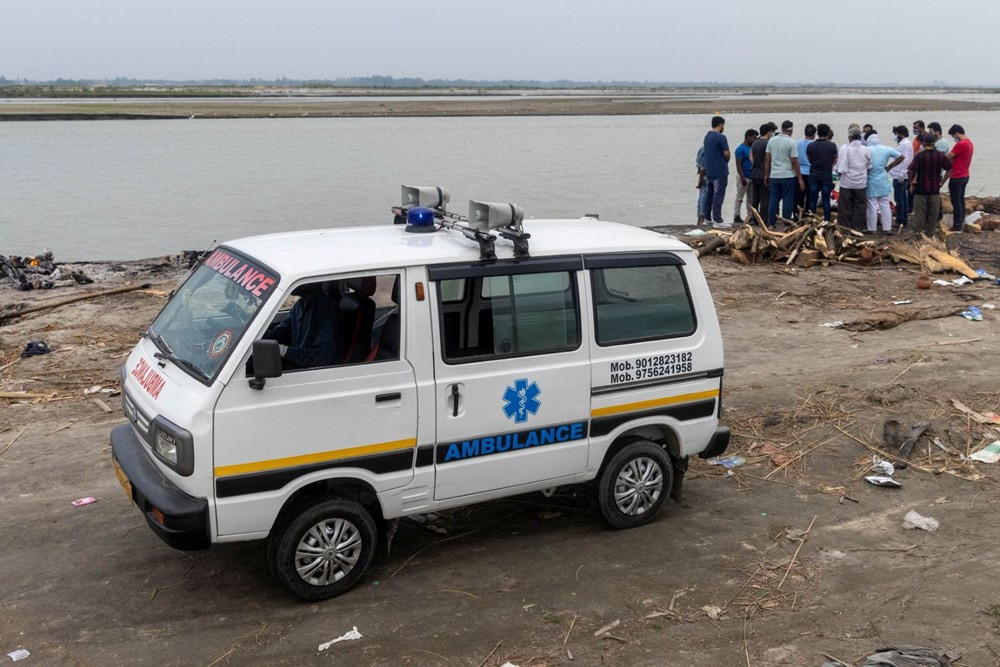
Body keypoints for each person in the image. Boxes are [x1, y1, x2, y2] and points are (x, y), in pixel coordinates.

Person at [264, 282, 340, 369]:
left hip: (311, 373)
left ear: (312, 283)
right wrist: (257, 333)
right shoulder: (299, 305)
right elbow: (280, 333)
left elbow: (322, 357)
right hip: (296, 364)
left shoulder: (326, 310)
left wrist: (282, 350)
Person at [908, 134, 951, 238]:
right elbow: (949, 169)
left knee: (919, 215)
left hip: (920, 189)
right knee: (933, 215)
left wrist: (911, 183)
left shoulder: (920, 155)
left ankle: (918, 234)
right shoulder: (940, 155)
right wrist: (942, 182)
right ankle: (930, 234)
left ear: (924, 143)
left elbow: (910, 170)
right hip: (935, 190)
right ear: (934, 143)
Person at [765, 120, 803, 226]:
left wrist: (766, 174)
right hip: (788, 176)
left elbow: (767, 159)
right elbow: (794, 162)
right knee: (788, 200)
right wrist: (800, 179)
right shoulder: (792, 142)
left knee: (773, 200)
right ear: (791, 130)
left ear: (781, 129)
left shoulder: (771, 140)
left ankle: (771, 223)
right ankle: (786, 223)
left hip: (774, 175)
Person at [864, 133, 903, 234]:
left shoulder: (866, 149)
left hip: (871, 181)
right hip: (883, 180)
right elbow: (901, 157)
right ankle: (887, 229)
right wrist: (890, 166)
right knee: (885, 205)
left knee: (871, 205)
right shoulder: (886, 149)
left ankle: (872, 229)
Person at [836, 127, 872, 231]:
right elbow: (869, 166)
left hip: (846, 183)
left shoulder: (845, 149)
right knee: (860, 206)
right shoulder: (866, 150)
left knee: (845, 206)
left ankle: (845, 228)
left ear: (849, 137)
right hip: (861, 183)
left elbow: (840, 167)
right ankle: (858, 228)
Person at [702, 115, 731, 228]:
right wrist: (726, 161)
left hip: (709, 170)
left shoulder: (707, 137)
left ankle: (707, 218)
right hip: (720, 170)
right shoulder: (721, 137)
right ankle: (718, 219)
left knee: (709, 194)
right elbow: (727, 153)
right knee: (718, 195)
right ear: (720, 125)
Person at [806, 124, 838, 221]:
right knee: (826, 200)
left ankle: (811, 219)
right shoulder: (832, 145)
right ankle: (827, 220)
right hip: (826, 176)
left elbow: (809, 159)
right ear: (827, 133)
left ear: (817, 133)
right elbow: (835, 160)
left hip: (814, 175)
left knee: (812, 199)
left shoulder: (811, 145)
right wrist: (829, 164)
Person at [946, 124, 974, 232]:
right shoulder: (970, 143)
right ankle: (960, 221)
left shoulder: (961, 144)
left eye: (953, 135)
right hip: (965, 174)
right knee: (961, 199)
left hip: (957, 175)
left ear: (957, 133)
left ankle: (957, 224)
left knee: (956, 201)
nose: (954, 138)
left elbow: (949, 156)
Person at [749, 123, 774, 225]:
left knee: (755, 198)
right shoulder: (768, 143)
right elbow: (768, 158)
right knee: (765, 198)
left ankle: (754, 218)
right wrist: (767, 173)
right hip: (764, 173)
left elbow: (750, 155)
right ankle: (763, 219)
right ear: (768, 132)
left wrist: (755, 162)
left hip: (754, 173)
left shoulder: (755, 143)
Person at [889, 126, 914, 228]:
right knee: (902, 197)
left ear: (901, 133)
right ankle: (903, 218)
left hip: (901, 175)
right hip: (901, 174)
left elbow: (906, 160)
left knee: (899, 198)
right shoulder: (905, 143)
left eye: (896, 134)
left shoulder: (905, 144)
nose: (895, 136)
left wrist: (902, 174)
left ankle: (901, 220)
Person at [733, 129, 758, 223]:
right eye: (753, 138)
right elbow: (738, 164)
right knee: (739, 197)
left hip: (752, 176)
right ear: (748, 137)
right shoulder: (740, 149)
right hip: (743, 176)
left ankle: (750, 215)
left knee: (750, 198)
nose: (755, 139)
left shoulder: (752, 148)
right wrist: (742, 176)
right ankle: (736, 215)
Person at [796, 124, 816, 214]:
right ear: (814, 134)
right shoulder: (814, 144)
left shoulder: (798, 143)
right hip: (811, 173)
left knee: (799, 198)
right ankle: (809, 216)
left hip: (799, 173)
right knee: (810, 198)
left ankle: (797, 216)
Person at [695, 145, 708, 225]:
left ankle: (699, 218)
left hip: (702, 175)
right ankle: (702, 217)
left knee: (701, 198)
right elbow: (703, 167)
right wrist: (700, 180)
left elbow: (699, 164)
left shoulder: (701, 148)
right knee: (704, 198)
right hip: (705, 177)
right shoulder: (707, 149)